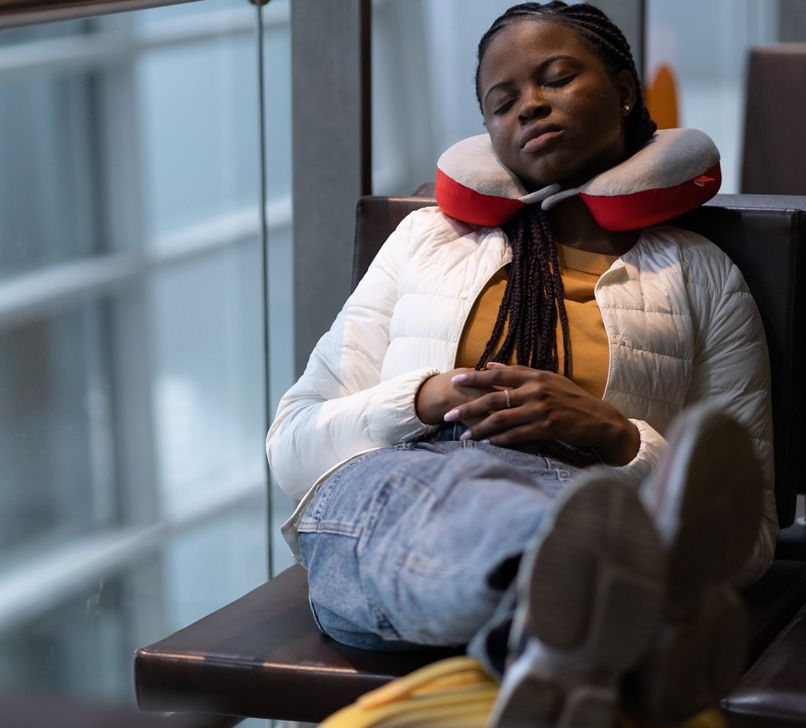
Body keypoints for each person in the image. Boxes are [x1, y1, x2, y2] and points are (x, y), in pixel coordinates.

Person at [266, 2, 778, 725]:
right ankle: (605, 604)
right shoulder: (424, 241)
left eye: (557, 78)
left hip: (586, 494)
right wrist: (426, 398)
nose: (529, 106)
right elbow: (292, 445)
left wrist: (616, 436)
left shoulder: (702, 275)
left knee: (573, 511)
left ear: (627, 89)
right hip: (389, 501)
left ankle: (562, 629)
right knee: (470, 488)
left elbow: (746, 533)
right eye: (500, 103)